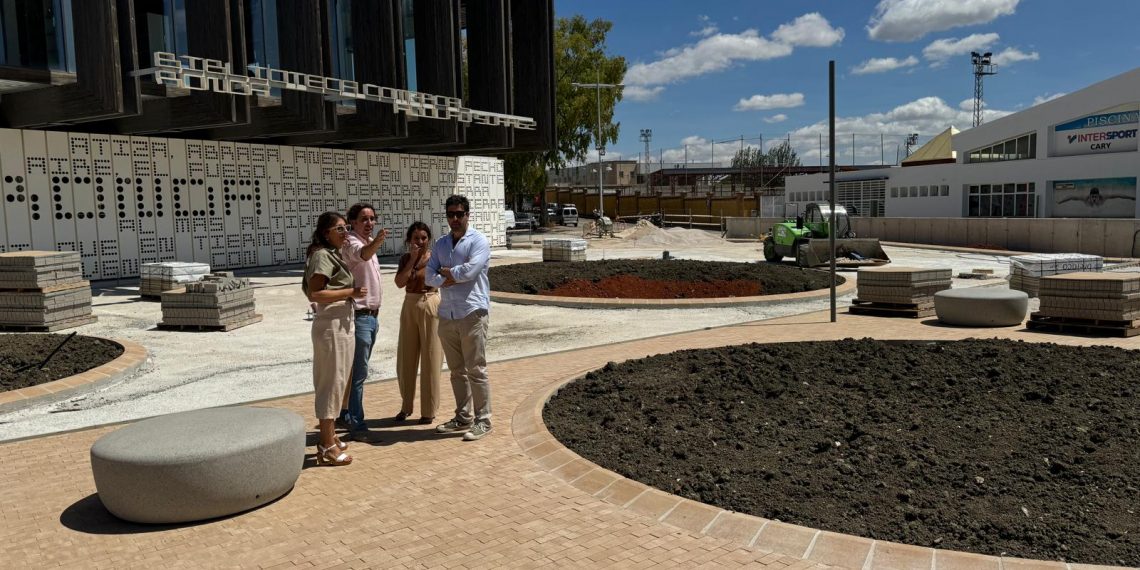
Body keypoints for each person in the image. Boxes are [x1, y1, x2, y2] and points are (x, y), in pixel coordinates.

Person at [426, 195, 493, 441]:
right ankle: (462, 417)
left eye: (459, 214)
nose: (454, 219)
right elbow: (428, 276)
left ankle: (483, 419)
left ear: (467, 215)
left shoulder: (479, 241)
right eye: (450, 214)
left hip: (472, 312)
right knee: (456, 370)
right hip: (447, 313)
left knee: (476, 369)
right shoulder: (442, 244)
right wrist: (451, 276)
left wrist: (446, 273)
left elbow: (471, 271)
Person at [303, 211, 365, 466]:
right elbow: (316, 293)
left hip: (341, 321)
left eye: (346, 228)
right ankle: (326, 445)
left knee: (339, 382)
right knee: (330, 383)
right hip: (331, 325)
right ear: (326, 232)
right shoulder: (321, 255)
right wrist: (351, 291)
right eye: (340, 229)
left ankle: (330, 436)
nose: (345, 233)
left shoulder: (331, 254)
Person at [338, 203, 388, 440]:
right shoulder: (352, 243)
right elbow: (362, 255)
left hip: (372, 317)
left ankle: (345, 412)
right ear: (353, 223)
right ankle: (357, 425)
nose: (369, 223)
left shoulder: (365, 242)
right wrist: (376, 241)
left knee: (354, 372)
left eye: (372, 218)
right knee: (359, 373)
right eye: (364, 219)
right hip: (361, 317)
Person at [393, 221, 442, 424]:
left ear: (428, 239)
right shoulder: (406, 258)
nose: (420, 242)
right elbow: (399, 283)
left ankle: (428, 410)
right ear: (409, 240)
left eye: (423, 238)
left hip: (430, 302)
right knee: (406, 357)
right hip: (410, 304)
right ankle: (406, 406)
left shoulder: (435, 258)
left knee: (431, 357)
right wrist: (412, 260)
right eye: (416, 238)